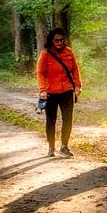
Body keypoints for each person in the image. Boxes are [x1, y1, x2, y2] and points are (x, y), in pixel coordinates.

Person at [36, 27, 82, 157]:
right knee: (51, 120)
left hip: (67, 90)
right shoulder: (45, 54)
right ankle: (51, 147)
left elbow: (75, 70)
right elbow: (40, 73)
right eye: (57, 40)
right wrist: (43, 90)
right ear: (51, 40)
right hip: (50, 92)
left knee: (68, 119)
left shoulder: (69, 52)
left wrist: (77, 85)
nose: (60, 43)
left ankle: (64, 146)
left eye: (62, 40)